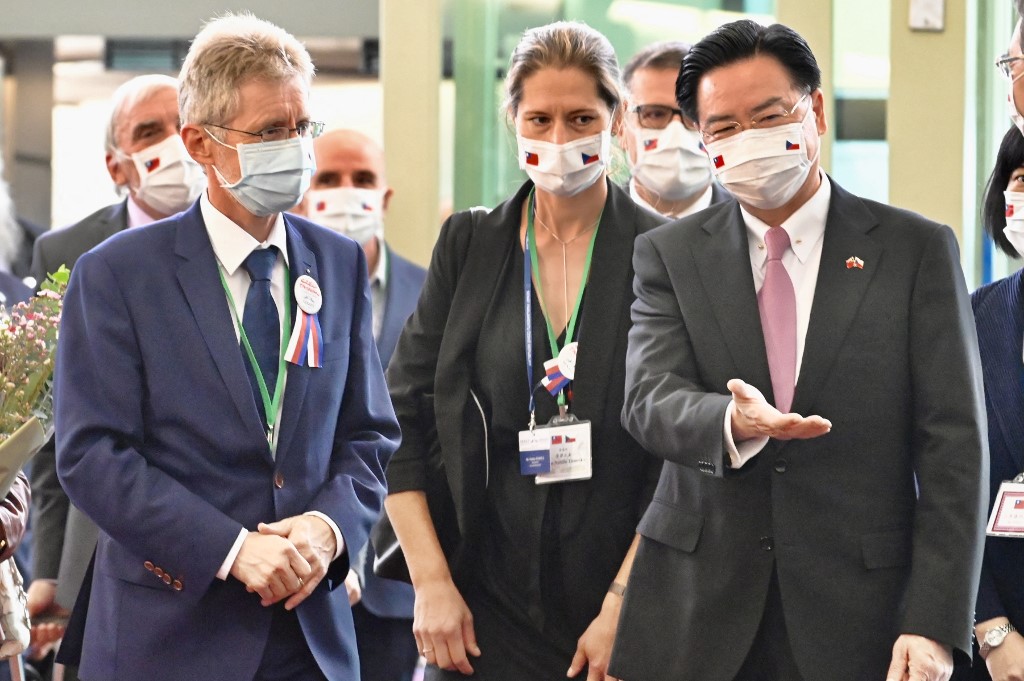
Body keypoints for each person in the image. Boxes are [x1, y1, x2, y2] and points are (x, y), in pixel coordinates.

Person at [609, 19, 987, 681]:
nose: (747, 140)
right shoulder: (668, 253)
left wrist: (934, 620)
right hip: (696, 613)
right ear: (702, 139)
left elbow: (954, 446)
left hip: (862, 612)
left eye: (768, 115)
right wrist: (729, 422)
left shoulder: (914, 250)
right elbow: (648, 398)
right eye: (723, 127)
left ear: (812, 109)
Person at [53, 13, 399, 681]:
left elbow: (369, 434)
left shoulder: (337, 262)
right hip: (172, 634)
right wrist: (232, 548)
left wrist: (329, 529)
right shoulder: (118, 274)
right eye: (270, 131)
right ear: (199, 144)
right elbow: (92, 453)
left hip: (311, 636)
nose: (294, 147)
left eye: (301, 128)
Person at [383, 20, 665, 681]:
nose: (559, 139)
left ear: (615, 118)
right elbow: (400, 419)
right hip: (480, 608)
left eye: (580, 117)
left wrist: (624, 604)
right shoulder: (470, 245)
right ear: (513, 119)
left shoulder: (666, 252)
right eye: (539, 118)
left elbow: (681, 461)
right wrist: (431, 582)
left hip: (616, 608)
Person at [26, 73, 206, 673]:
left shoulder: (246, 241)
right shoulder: (68, 254)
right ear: (116, 165)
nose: (173, 145)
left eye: (181, 126)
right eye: (150, 132)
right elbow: (55, 432)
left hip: (223, 539)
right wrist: (50, 568)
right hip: (102, 545)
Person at [302, 129, 426, 681]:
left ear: (386, 197)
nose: (346, 192)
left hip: (397, 580)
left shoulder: (430, 293)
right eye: (328, 179)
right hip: (302, 567)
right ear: (303, 192)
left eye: (362, 180)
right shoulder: (278, 286)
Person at [966, 15, 1024, 680]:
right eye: (1018, 178)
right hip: (994, 634)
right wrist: (991, 626)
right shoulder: (976, 317)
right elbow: (935, 477)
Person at [619, 40, 729, 218]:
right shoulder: (590, 223)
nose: (676, 135)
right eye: (654, 114)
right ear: (622, 128)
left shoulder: (753, 224)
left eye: (694, 115)